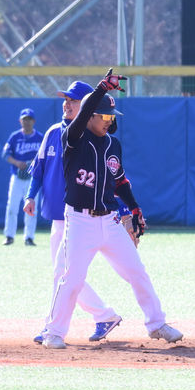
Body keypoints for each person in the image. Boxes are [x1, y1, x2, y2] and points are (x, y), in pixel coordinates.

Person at [41, 70, 183, 349]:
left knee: (137, 272)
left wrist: (134, 208)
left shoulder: (112, 144)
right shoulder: (72, 139)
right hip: (79, 222)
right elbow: (80, 117)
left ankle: (157, 324)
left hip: (110, 221)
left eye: (111, 118)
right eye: (103, 116)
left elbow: (119, 181)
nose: (108, 121)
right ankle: (53, 332)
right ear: (91, 115)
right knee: (72, 277)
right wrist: (100, 90)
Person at [23, 81, 122, 344]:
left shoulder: (93, 139)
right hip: (58, 215)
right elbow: (39, 168)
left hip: (78, 217)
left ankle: (57, 326)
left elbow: (111, 178)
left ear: (88, 107)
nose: (67, 104)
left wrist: (123, 209)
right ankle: (103, 316)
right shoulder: (54, 132)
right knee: (64, 274)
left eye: (74, 100)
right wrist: (30, 195)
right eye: (65, 99)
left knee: (63, 273)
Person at [2, 108, 43, 246]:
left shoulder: (40, 138)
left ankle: (29, 237)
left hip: (33, 179)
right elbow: (5, 154)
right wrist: (16, 162)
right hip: (17, 177)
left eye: (29, 119)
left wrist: (34, 162)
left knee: (32, 208)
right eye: (24, 119)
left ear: (34, 121)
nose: (27, 122)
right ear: (20, 121)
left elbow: (46, 156)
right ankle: (9, 236)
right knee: (12, 207)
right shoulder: (14, 137)